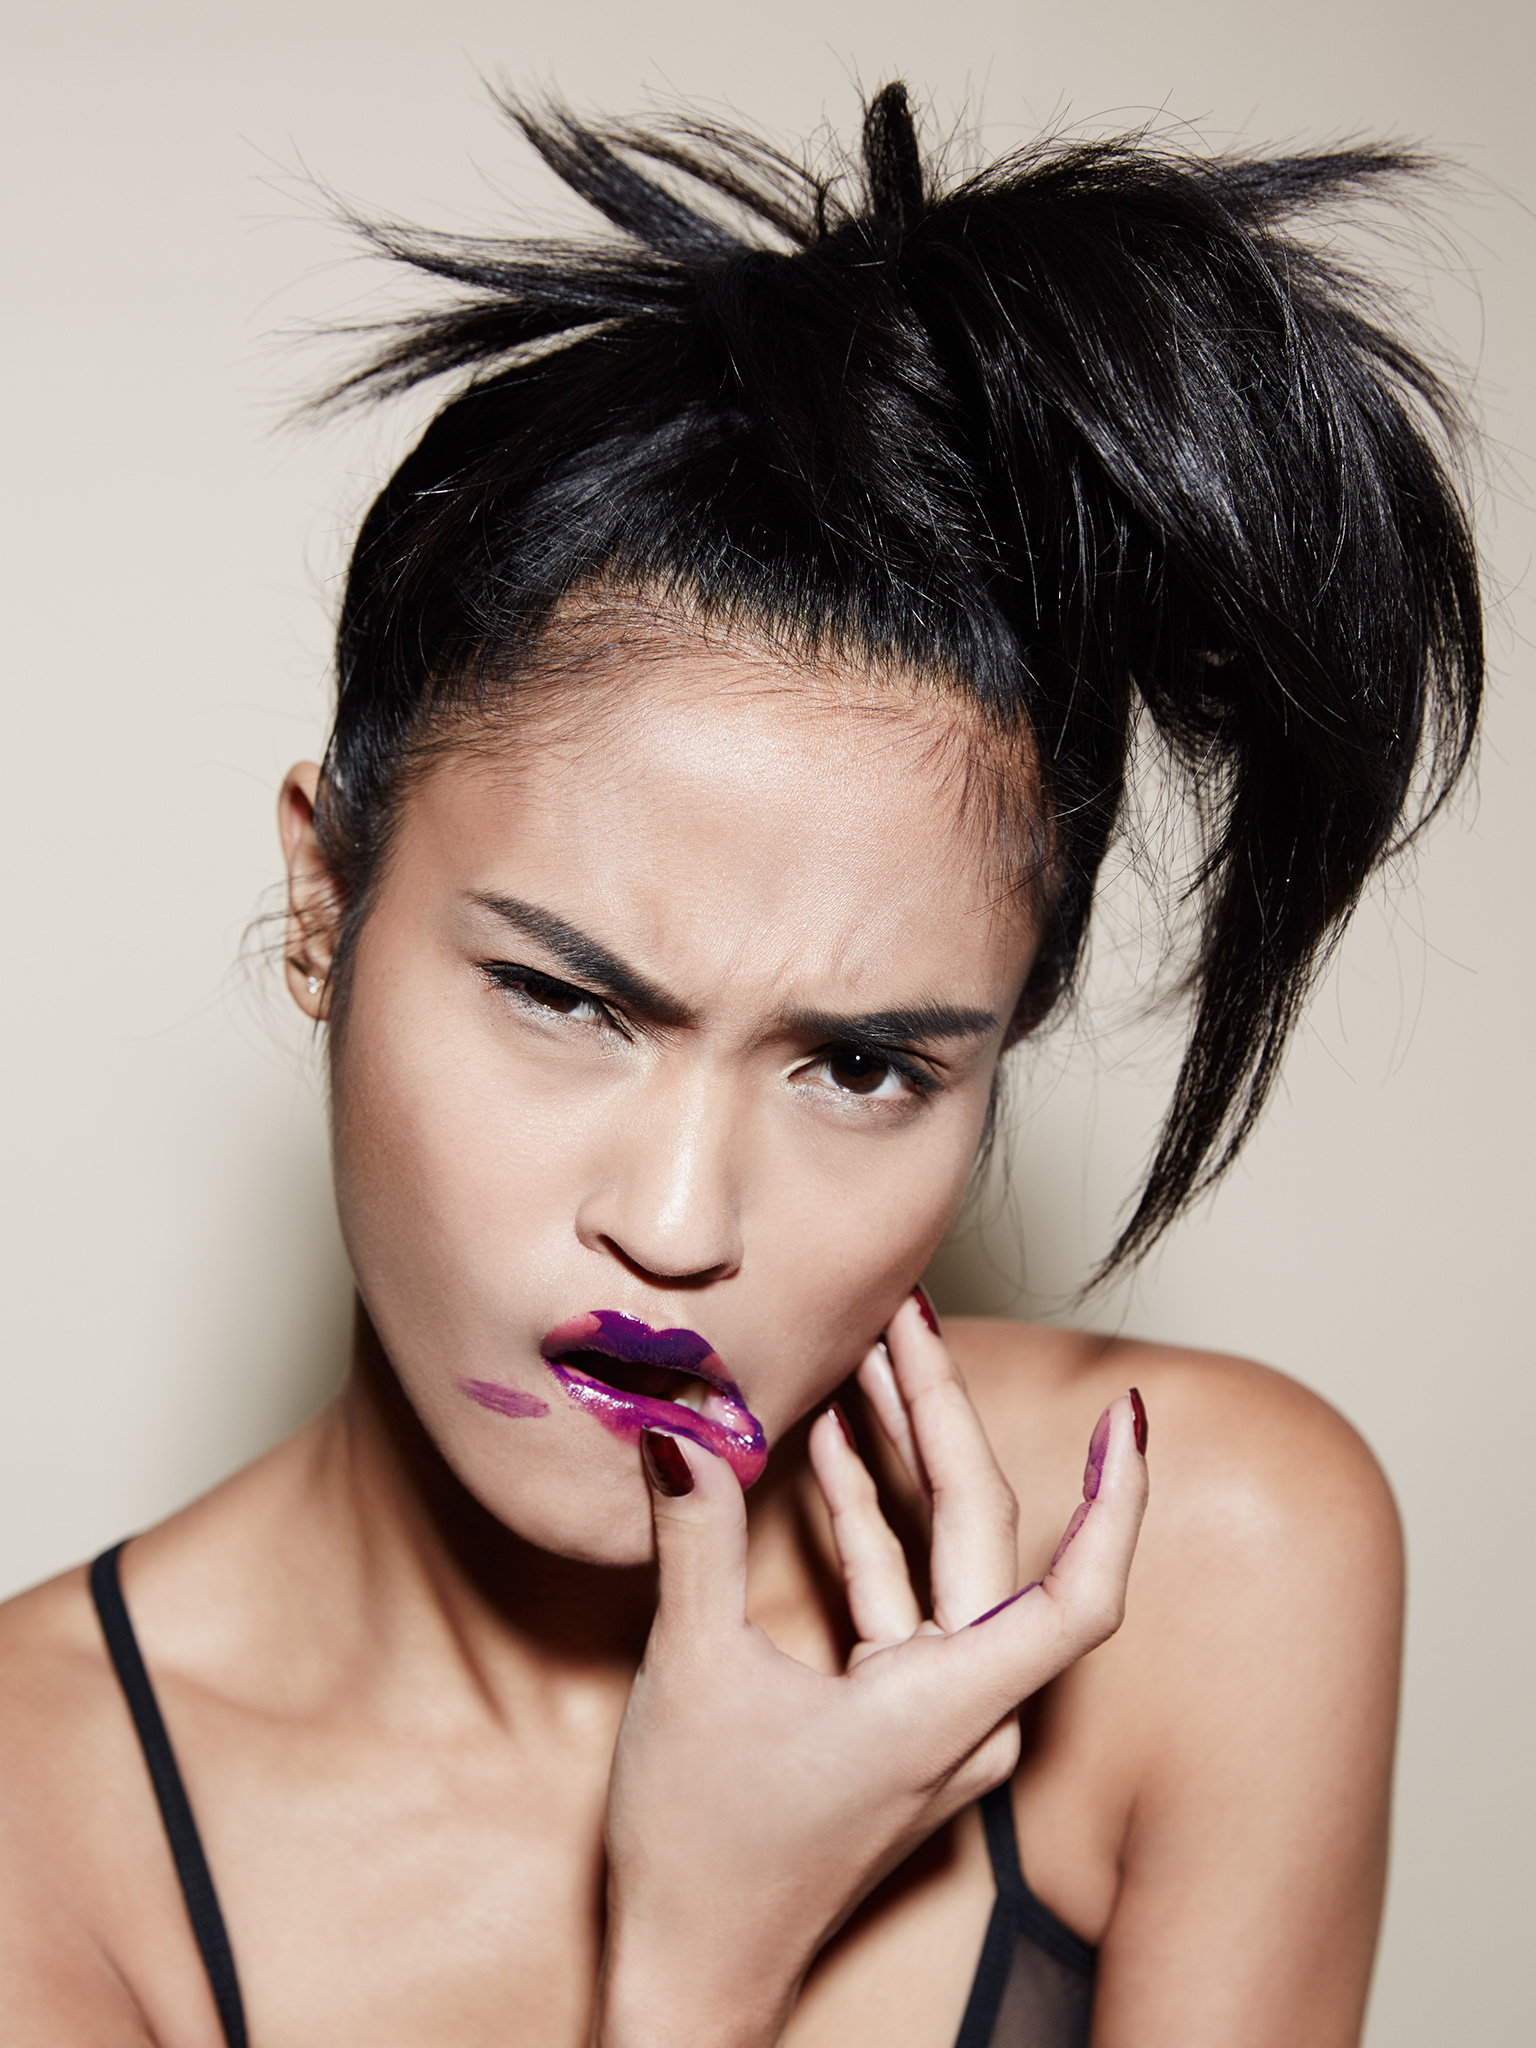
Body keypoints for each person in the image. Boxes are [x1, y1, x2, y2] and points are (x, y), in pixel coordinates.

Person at [0, 81, 1480, 2048]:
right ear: (326, 903)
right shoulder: (40, 1830)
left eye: (860, 1065)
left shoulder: (1199, 1567)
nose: (679, 1226)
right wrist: (697, 1967)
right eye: (565, 998)